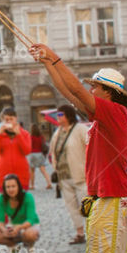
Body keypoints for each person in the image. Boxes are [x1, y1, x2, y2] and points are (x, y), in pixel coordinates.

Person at [28, 48, 127, 253]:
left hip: (112, 198)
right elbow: (70, 91)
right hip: (109, 198)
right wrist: (47, 63)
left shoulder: (114, 111)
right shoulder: (106, 114)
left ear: (109, 92)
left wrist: (54, 57)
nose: (91, 89)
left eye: (96, 86)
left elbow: (76, 88)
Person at [49, 105, 87, 245]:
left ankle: (95, 232)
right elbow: (53, 151)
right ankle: (79, 233)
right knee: (71, 206)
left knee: (86, 205)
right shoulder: (58, 132)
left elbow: (91, 146)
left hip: (80, 174)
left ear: (68, 115)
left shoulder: (80, 129)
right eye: (58, 115)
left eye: (61, 115)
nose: (58, 117)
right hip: (63, 176)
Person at [0, 174, 41, 253]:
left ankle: (30, 246)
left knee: (30, 234)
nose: (11, 189)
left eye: (13, 186)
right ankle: (13, 247)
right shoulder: (2, 199)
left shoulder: (28, 196)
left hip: (29, 225)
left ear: (18, 186)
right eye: (8, 187)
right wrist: (4, 230)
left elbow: (30, 219)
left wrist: (19, 227)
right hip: (13, 224)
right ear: (4, 189)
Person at [0, 108, 31, 191]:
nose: (9, 122)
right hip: (3, 174)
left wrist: (19, 135)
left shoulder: (24, 133)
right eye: (6, 120)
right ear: (3, 121)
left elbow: (27, 151)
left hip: (21, 174)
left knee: (22, 200)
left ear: (16, 119)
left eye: (11, 119)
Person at [28, 124, 52, 190]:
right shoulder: (41, 137)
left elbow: (29, 146)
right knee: (44, 171)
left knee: (32, 171)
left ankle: (32, 185)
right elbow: (43, 145)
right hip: (40, 154)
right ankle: (49, 183)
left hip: (33, 154)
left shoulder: (31, 137)